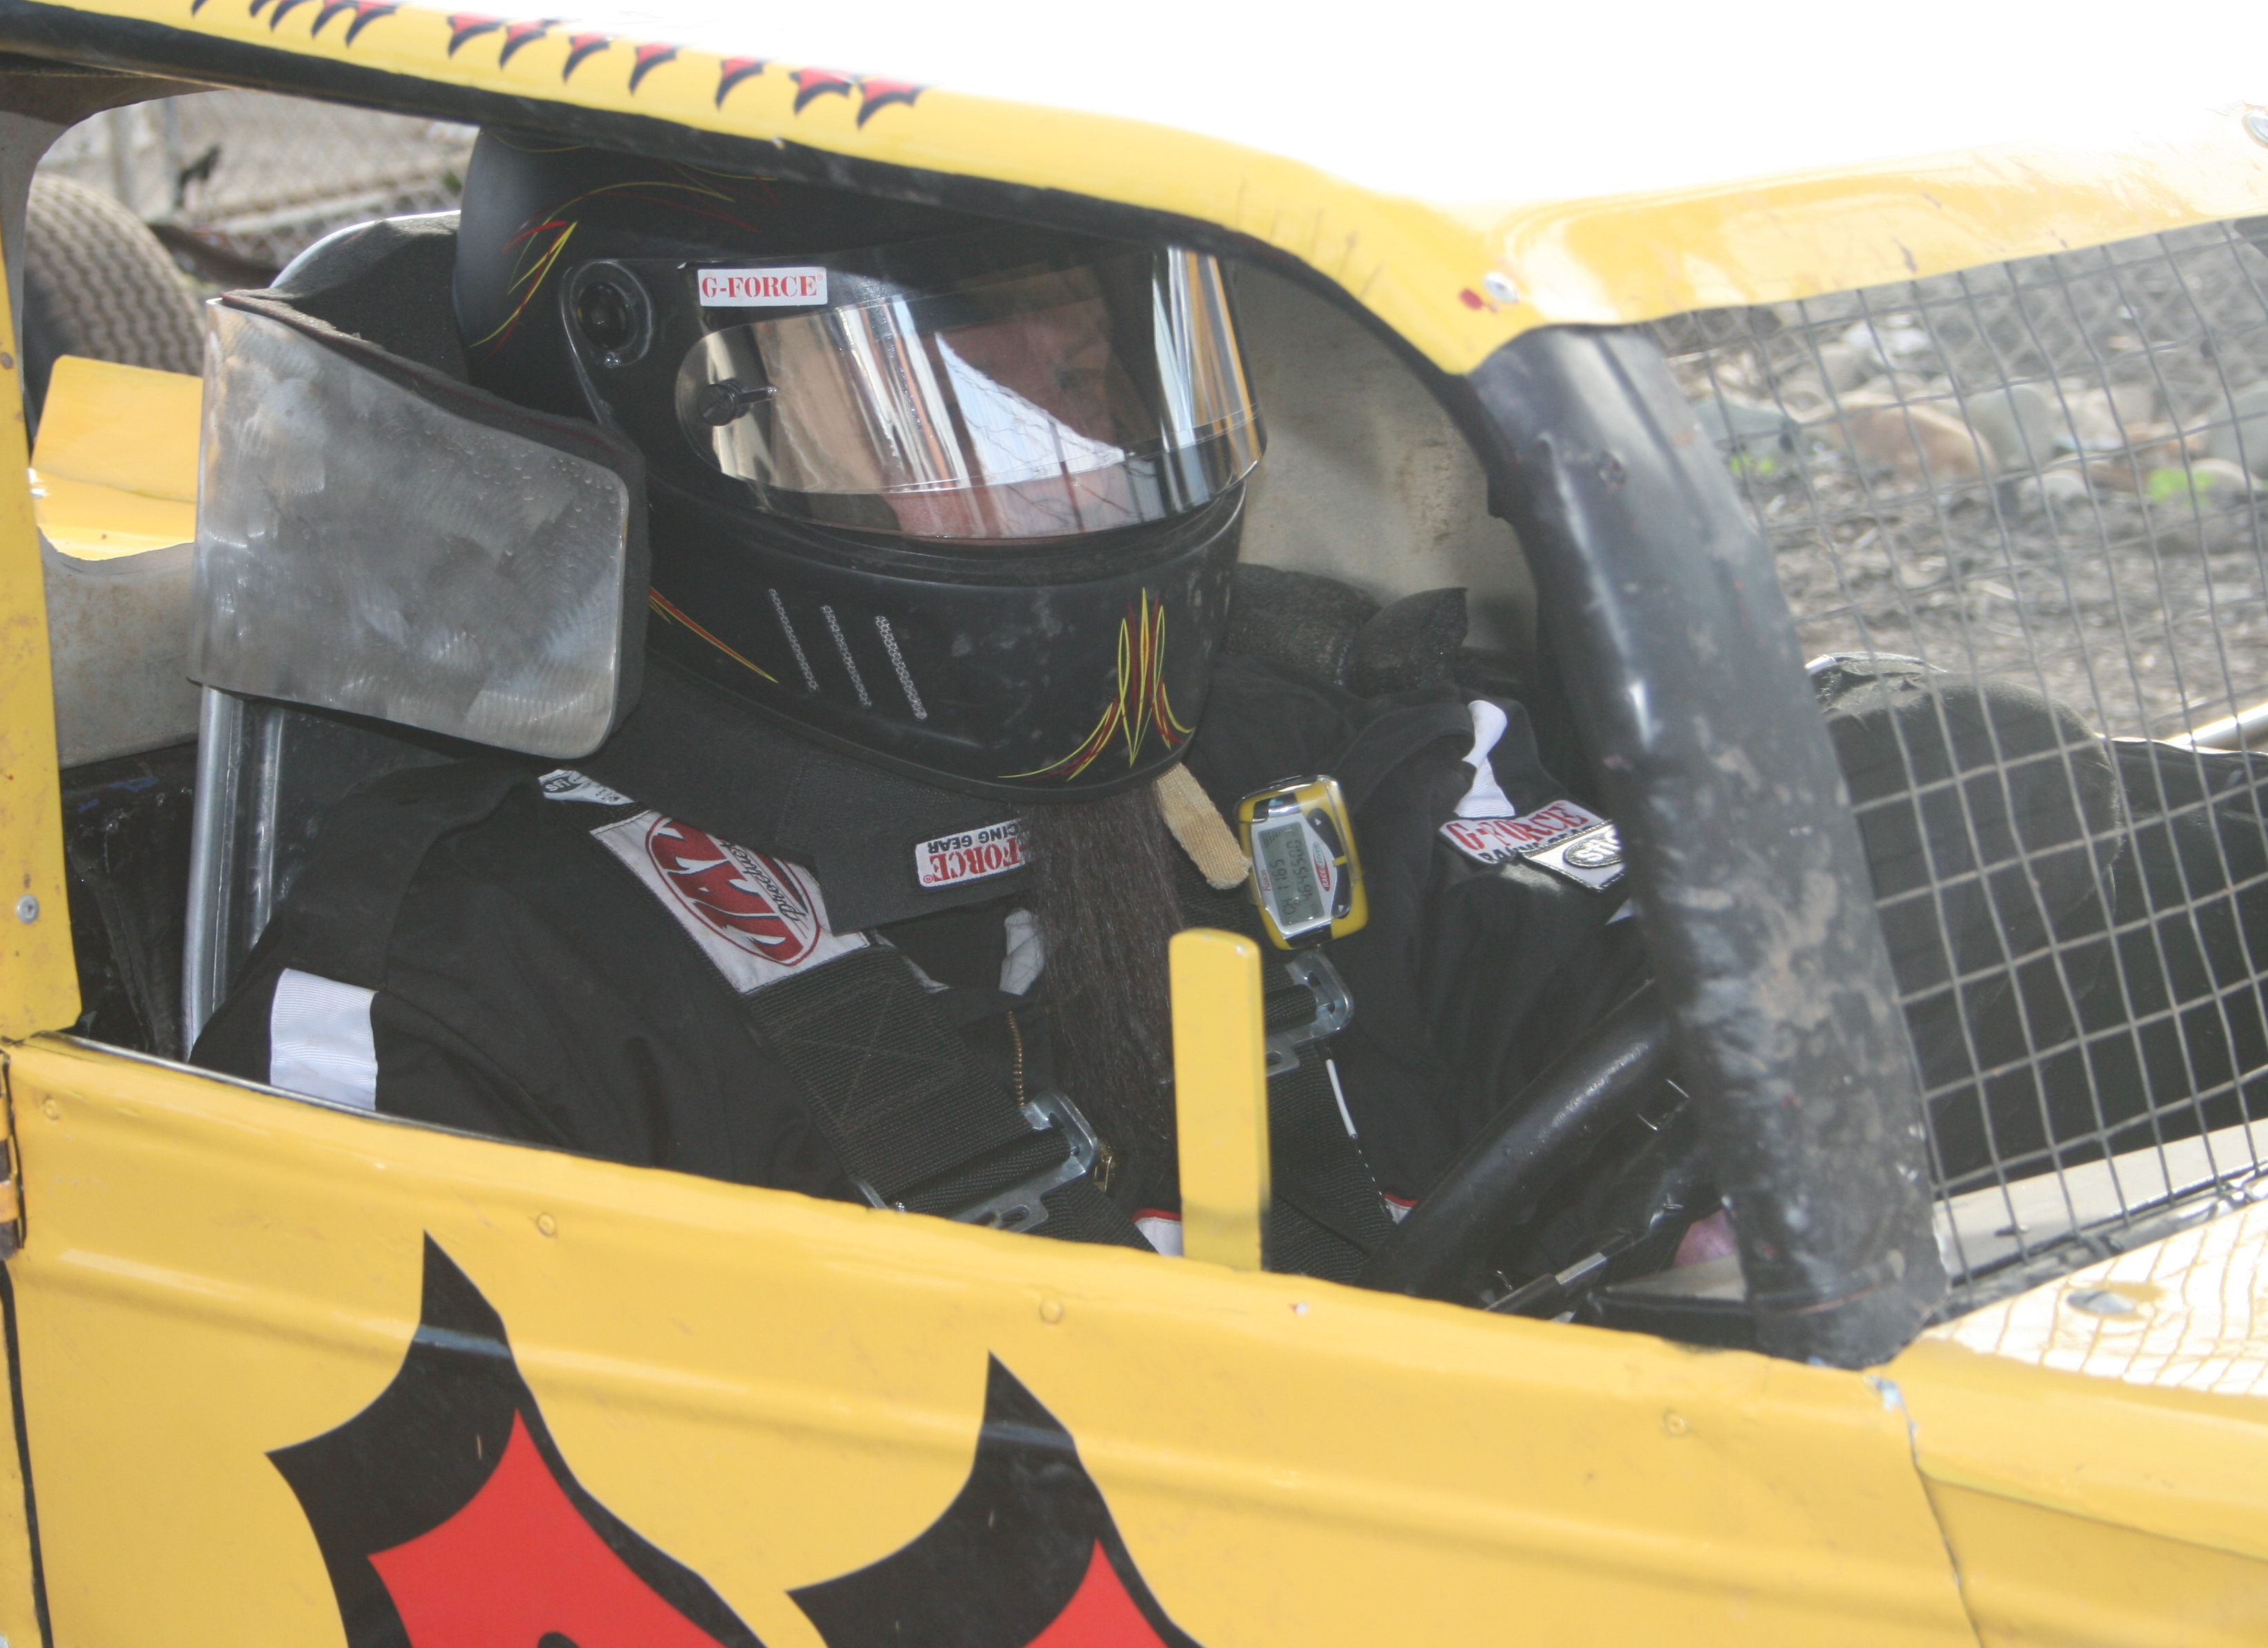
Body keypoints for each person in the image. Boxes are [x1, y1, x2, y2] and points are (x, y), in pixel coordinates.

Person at [191, 137, 1639, 1277]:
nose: (1075, 481)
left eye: (1093, 384)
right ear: (678, 411)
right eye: (948, 409)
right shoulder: (465, 1000)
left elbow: (1649, 982)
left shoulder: (1306, 755)